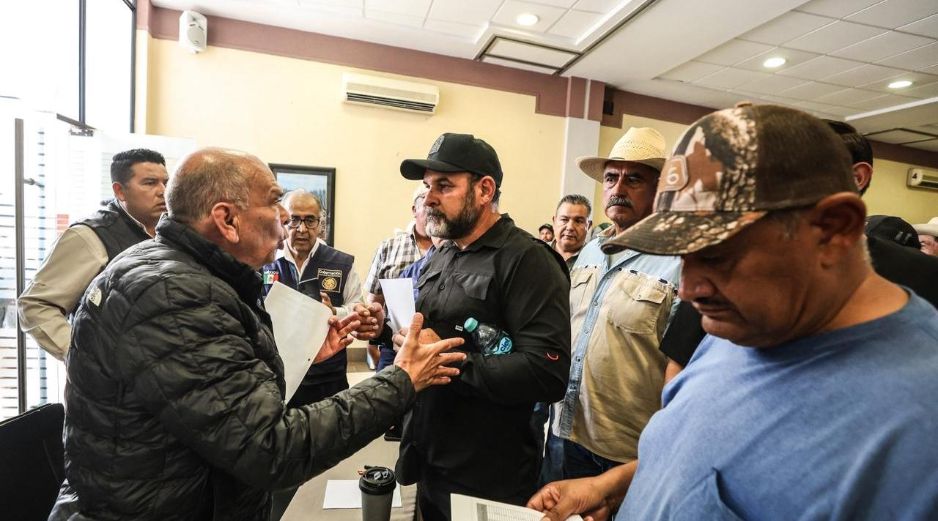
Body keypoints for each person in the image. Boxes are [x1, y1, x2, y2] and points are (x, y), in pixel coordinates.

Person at [529, 105, 938, 520]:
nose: (689, 290)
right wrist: (613, 488)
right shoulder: (744, 323)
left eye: (718, 256)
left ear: (833, 229)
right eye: (681, 256)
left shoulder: (918, 430)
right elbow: (696, 454)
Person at [49, 147, 467, 521]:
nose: (285, 222)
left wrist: (300, 350)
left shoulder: (170, 267)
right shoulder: (175, 294)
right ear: (227, 220)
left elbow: (217, 392)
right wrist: (402, 378)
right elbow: (271, 448)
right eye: (273, 203)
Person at [659, 119, 938, 376]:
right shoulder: (724, 309)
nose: (689, 288)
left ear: (857, 178)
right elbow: (680, 362)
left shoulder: (923, 279)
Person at [392, 132, 571, 521]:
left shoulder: (528, 260)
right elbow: (427, 329)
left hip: (487, 476)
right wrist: (382, 328)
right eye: (427, 186)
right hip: (430, 458)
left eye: (444, 186)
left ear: (484, 190)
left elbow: (547, 372)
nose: (429, 198)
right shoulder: (442, 255)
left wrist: (444, 362)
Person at [542, 127, 680, 485]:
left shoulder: (678, 263)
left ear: (660, 189)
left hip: (626, 451)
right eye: (611, 178)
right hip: (564, 430)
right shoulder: (590, 251)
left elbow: (682, 365)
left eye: (633, 179)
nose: (618, 188)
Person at [17, 148, 168, 360]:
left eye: (166, 183)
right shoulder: (89, 236)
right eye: (150, 183)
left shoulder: (170, 233)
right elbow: (36, 305)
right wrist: (84, 361)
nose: (163, 191)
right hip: (114, 377)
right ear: (120, 191)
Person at [261, 189, 363, 406]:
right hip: (276, 371)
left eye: (310, 220)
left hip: (328, 375)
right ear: (283, 220)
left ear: (320, 223)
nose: (302, 229)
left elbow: (357, 307)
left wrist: (334, 312)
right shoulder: (265, 262)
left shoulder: (342, 263)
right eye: (294, 220)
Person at [360, 185, 433, 370]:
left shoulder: (452, 250)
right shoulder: (389, 248)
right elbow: (375, 303)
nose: (433, 207)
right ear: (414, 210)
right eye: (426, 202)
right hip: (394, 345)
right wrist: (372, 344)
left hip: (434, 347)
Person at [549, 194, 592, 270]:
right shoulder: (538, 253)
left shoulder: (597, 259)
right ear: (554, 221)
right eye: (564, 219)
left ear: (588, 226)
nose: (570, 227)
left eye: (578, 221)